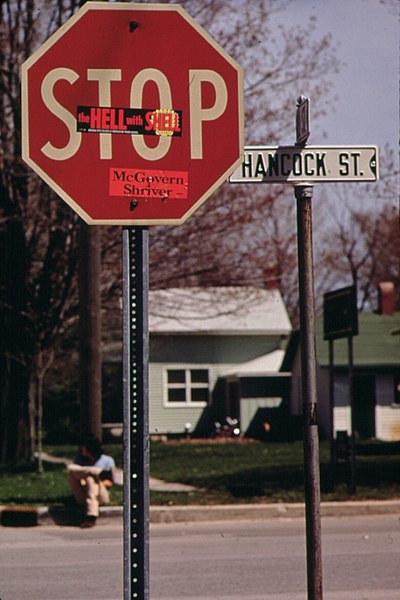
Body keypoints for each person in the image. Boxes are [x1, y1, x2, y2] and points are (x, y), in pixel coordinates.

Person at [67, 438, 116, 528]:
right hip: (83, 493)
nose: (81, 449)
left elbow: (110, 483)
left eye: (83, 447)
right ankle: (96, 471)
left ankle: (91, 516)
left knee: (91, 479)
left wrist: (97, 481)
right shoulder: (79, 459)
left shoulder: (107, 461)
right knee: (71, 468)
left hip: (100, 495)